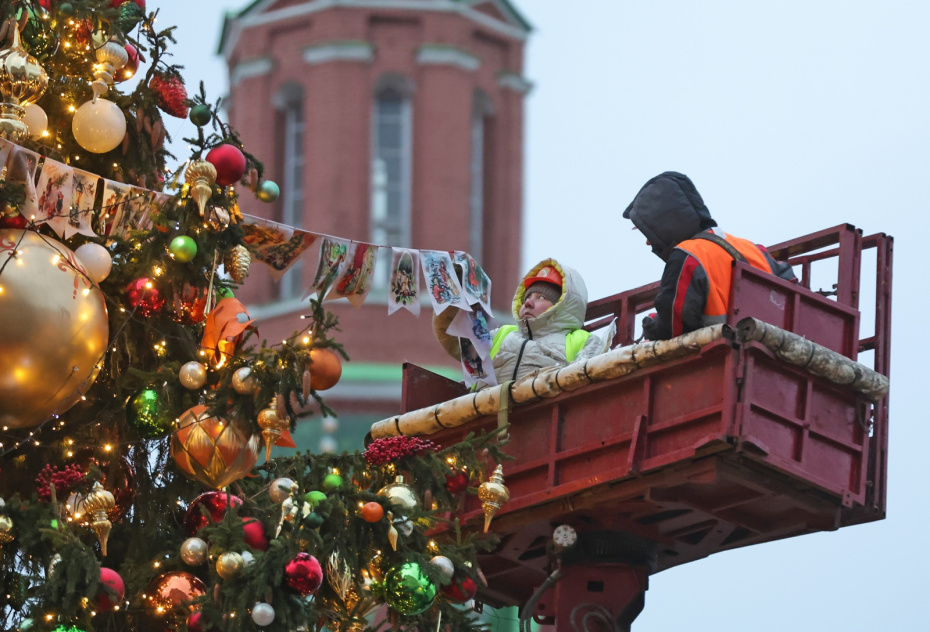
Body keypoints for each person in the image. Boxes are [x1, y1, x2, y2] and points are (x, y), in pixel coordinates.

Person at [623, 171, 796, 340]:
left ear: (665, 225)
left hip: (722, 360)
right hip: (773, 354)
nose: (648, 242)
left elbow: (673, 327)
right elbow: (793, 288)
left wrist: (650, 326)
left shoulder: (686, 256)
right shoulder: (754, 249)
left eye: (649, 233)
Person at [434, 259, 613, 384]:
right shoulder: (501, 335)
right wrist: (452, 295)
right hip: (488, 427)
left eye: (541, 297)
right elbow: (455, 339)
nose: (528, 302)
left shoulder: (582, 341)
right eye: (528, 297)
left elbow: (594, 383)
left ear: (563, 305)